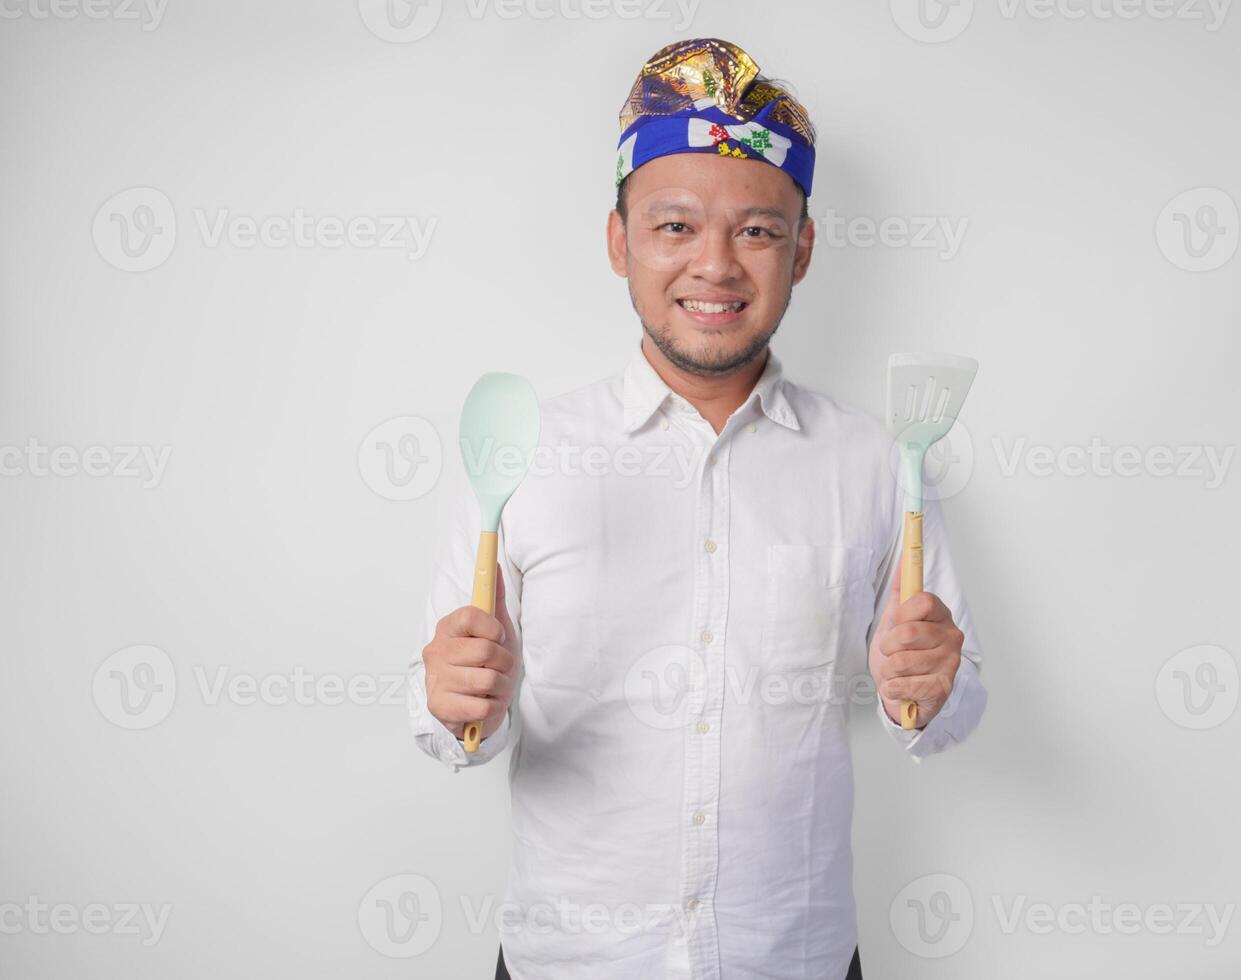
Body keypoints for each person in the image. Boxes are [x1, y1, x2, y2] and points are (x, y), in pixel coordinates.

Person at [407, 37, 987, 980]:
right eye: (675, 227)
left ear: (800, 251)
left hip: (790, 956)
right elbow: (453, 728)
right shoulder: (521, 455)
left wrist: (928, 692)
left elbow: (946, 712)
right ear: (618, 241)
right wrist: (450, 702)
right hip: (571, 960)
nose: (715, 265)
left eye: (756, 231)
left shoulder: (878, 462)